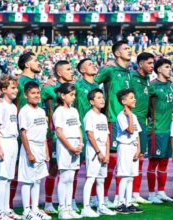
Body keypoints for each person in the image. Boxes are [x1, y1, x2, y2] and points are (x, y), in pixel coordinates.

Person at [94, 40, 131, 207]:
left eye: (129, 48)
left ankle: (119, 198)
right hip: (113, 119)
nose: (129, 50)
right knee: (112, 160)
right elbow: (93, 82)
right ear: (117, 53)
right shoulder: (110, 69)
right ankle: (99, 197)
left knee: (125, 161)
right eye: (125, 48)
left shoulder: (129, 72)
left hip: (128, 120)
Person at [10, 52, 42, 211]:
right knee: (15, 171)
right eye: (35, 60)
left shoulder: (35, 82)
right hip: (21, 132)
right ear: (27, 64)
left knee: (34, 173)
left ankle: (33, 209)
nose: (39, 62)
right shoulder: (19, 81)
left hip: (36, 133)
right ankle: (8, 208)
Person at [43, 60, 75, 213]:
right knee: (54, 168)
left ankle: (70, 202)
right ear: (59, 72)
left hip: (73, 135)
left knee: (71, 169)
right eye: (68, 69)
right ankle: (48, 202)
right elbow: (35, 95)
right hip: (56, 135)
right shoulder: (50, 89)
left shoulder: (74, 89)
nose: (72, 71)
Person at [17, 81, 51, 220]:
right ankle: (26, 211)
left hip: (40, 148)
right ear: (26, 95)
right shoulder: (24, 111)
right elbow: (23, 133)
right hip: (30, 147)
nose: (36, 95)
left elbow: (43, 132)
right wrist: (29, 152)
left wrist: (46, 150)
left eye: (38, 93)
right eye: (33, 93)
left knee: (37, 180)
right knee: (27, 180)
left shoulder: (42, 111)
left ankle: (35, 208)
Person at [82, 89, 116, 217]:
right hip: (94, 151)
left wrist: (106, 154)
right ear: (91, 101)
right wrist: (99, 152)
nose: (102, 100)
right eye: (98, 97)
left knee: (101, 180)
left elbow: (107, 137)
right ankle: (86, 207)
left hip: (103, 152)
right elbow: (90, 135)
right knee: (91, 178)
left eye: (102, 97)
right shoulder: (89, 115)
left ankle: (101, 205)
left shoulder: (103, 117)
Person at [52, 83, 83, 219]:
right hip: (65, 145)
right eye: (71, 95)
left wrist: (80, 144)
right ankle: (62, 209)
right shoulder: (59, 111)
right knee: (64, 177)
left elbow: (78, 128)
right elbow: (59, 132)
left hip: (76, 144)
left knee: (71, 178)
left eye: (74, 94)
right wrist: (70, 147)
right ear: (63, 96)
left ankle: (69, 207)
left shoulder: (74, 111)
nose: (74, 97)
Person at [147, 58, 173, 204]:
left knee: (164, 162)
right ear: (159, 70)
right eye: (166, 67)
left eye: (170, 67)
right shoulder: (152, 86)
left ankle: (161, 192)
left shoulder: (171, 85)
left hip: (169, 130)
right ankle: (151, 194)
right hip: (156, 129)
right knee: (153, 162)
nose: (169, 69)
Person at [0, 75, 20, 220]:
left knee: (9, 178)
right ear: (4, 89)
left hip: (13, 142)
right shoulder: (1, 107)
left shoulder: (13, 107)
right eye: (12, 88)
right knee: (2, 178)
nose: (16, 90)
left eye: (16, 87)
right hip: (3, 142)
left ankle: (7, 209)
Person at [129, 52, 154, 204]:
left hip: (142, 123)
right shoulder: (131, 77)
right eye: (150, 63)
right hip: (131, 121)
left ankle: (135, 193)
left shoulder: (147, 79)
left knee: (140, 158)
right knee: (128, 159)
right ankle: (125, 194)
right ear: (140, 64)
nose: (152, 66)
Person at [74, 58, 99, 208]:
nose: (93, 65)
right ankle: (70, 200)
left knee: (95, 167)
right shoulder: (77, 85)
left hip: (96, 131)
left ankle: (93, 198)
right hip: (81, 131)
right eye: (89, 64)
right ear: (82, 70)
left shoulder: (97, 86)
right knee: (75, 168)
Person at [114, 88, 144, 214]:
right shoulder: (122, 116)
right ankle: (120, 203)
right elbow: (130, 130)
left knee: (131, 177)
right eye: (131, 97)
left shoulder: (134, 115)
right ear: (123, 101)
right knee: (125, 176)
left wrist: (138, 149)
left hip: (133, 147)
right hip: (125, 147)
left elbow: (136, 134)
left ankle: (129, 202)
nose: (134, 99)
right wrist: (130, 116)